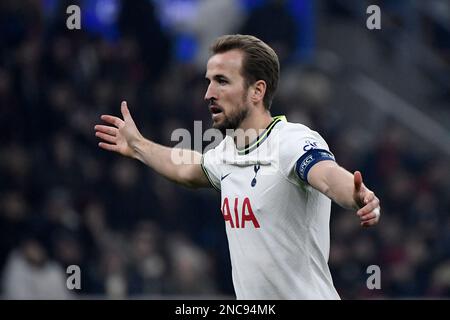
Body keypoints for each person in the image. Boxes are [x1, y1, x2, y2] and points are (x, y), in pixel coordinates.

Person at [94, 34, 381, 299]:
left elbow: (327, 176)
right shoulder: (226, 153)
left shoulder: (292, 141)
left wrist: (358, 197)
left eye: (222, 81)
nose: (208, 93)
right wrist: (138, 146)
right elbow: (186, 169)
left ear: (257, 91)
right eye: (208, 81)